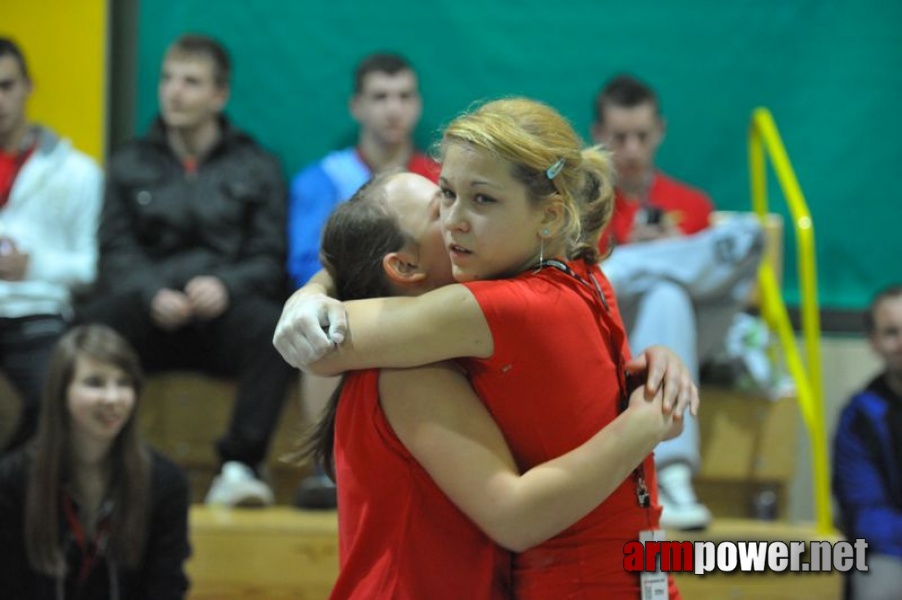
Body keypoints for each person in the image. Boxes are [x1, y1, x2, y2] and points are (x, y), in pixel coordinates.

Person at [276, 97, 693, 598]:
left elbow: (326, 340)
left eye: (481, 200)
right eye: (444, 198)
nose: (454, 219)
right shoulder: (571, 280)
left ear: (549, 216)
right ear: (401, 265)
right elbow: (322, 343)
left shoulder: (520, 299)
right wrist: (645, 422)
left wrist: (315, 291)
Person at [76, 34, 293, 507]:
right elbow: (114, 252)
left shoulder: (257, 165)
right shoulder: (129, 162)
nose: (174, 92)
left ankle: (239, 468)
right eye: (167, 79)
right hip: (151, 314)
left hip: (222, 315)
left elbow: (267, 254)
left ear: (219, 95)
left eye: (191, 82)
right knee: (88, 328)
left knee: (275, 329)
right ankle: (93, 466)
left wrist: (226, 286)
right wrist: (151, 291)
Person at [591, 73, 764, 530]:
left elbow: (720, 293)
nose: (630, 150)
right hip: (614, 340)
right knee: (666, 288)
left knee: (695, 274)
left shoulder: (692, 202)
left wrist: (650, 255)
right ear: (597, 135)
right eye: (618, 137)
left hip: (689, 341)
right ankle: (671, 472)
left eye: (641, 136)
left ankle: (632, 264)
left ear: (660, 132)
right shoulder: (583, 206)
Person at [287, 52, 437, 509]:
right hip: (351, 309)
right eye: (380, 96)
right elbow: (302, 262)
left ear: (418, 105)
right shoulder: (323, 179)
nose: (393, 108)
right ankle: (333, 471)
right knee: (323, 325)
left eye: (404, 96)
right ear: (357, 106)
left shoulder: (437, 183)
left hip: (424, 308)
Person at [0, 324, 191, 598]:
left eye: (123, 383)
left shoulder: (165, 481)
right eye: (95, 383)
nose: (112, 398)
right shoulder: (12, 480)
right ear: (61, 392)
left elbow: (166, 587)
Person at [0, 37, 103, 453]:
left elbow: (93, 266)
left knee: (59, 395)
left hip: (38, 314)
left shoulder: (77, 172)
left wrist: (35, 267)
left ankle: (8, 484)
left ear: (29, 86)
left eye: (5, 86)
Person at [833, 285, 902, 600]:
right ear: (874, 343)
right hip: (891, 553)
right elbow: (864, 514)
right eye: (891, 332)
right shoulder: (860, 418)